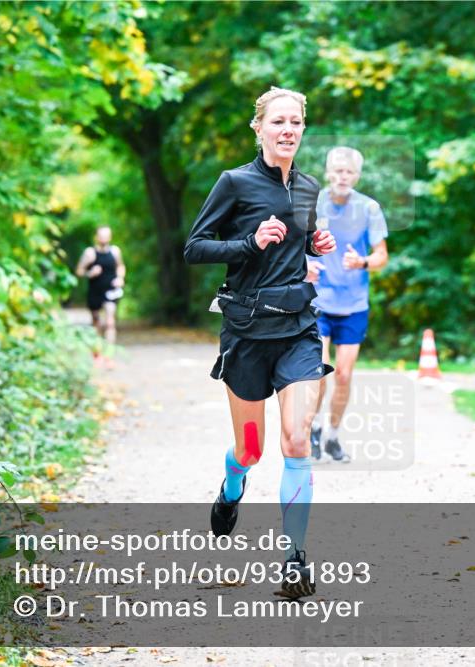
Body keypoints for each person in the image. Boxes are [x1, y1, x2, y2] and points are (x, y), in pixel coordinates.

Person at [183, 87, 336, 599]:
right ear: (259, 128)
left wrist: (317, 242)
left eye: (296, 122)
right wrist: (249, 244)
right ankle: (232, 487)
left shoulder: (310, 188)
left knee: (296, 440)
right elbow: (195, 247)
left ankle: (295, 559)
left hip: (297, 328)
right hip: (248, 331)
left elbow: (303, 243)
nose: (288, 130)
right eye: (278, 122)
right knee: (251, 450)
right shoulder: (235, 183)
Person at [306, 147, 389, 463]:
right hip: (319, 300)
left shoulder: (368, 208)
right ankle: (313, 427)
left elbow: (382, 255)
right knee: (318, 372)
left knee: (343, 374)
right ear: (328, 172)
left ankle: (332, 436)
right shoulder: (314, 203)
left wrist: (364, 261)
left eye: (349, 172)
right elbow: (295, 243)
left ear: (357, 176)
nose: (343, 177)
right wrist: (306, 264)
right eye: (337, 171)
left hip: (353, 304)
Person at [75, 226, 126, 348]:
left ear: (110, 237)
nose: (104, 238)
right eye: (101, 235)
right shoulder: (90, 253)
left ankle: (109, 353)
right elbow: (79, 271)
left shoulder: (115, 251)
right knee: (96, 322)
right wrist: (90, 273)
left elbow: (121, 266)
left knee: (110, 321)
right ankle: (98, 352)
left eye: (106, 235)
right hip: (95, 291)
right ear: (97, 237)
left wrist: (120, 278)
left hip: (111, 291)